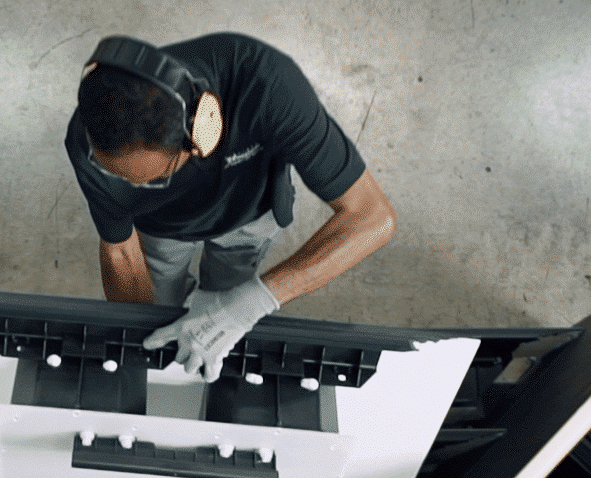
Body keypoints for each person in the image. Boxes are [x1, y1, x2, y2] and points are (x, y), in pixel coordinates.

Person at [65, 33, 396, 381]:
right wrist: (136, 345)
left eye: (155, 178)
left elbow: (372, 217)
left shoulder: (268, 85)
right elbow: (120, 250)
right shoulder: (87, 139)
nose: (133, 187)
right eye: (121, 177)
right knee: (160, 309)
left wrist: (256, 300)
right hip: (160, 229)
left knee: (228, 296)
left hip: (248, 216)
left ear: (203, 128)